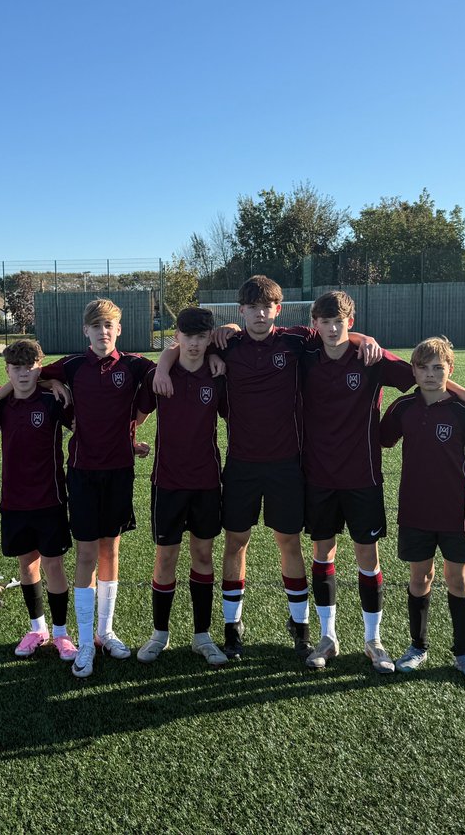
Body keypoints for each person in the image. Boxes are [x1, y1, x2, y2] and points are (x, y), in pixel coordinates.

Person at [154, 275, 378, 663]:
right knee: (235, 543)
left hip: (287, 466)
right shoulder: (227, 344)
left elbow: (336, 335)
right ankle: (232, 628)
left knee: (289, 542)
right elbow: (183, 347)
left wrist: (364, 340)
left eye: (267, 307)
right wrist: (164, 361)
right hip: (241, 465)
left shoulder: (296, 342)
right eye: (252, 307)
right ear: (239, 312)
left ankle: (301, 629)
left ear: (279, 308)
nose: (260, 314)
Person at [299, 292, 465, 674]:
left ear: (351, 321)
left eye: (340, 320)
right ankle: (328, 636)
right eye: (326, 321)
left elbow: (426, 376)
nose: (333, 327)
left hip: (363, 477)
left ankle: (373, 641)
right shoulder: (305, 354)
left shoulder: (371, 358)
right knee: (323, 554)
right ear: (315, 324)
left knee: (367, 558)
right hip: (319, 475)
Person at [0, 298, 153, 678]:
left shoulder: (133, 364)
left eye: (109, 325)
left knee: (112, 550)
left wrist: (132, 436)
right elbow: (29, 376)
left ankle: (104, 632)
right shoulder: (73, 366)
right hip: (81, 473)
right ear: (86, 332)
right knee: (86, 555)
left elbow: (162, 376)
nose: (103, 332)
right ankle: (78, 641)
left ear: (119, 329)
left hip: (121, 471)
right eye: (96, 326)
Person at [379, 336, 465, 685]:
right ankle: (418, 646)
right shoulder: (403, 409)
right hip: (415, 511)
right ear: (413, 370)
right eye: (423, 368)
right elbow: (378, 437)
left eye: (438, 368)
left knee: (457, 580)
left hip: (458, 513)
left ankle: (463, 653)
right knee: (420, 578)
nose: (430, 374)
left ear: (450, 370)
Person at [134, 307, 229, 667]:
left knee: (203, 556)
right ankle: (159, 633)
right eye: (187, 337)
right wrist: (132, 440)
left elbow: (237, 416)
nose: (194, 344)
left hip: (206, 481)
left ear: (209, 337)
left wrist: (219, 352)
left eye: (201, 337)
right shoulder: (161, 373)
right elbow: (137, 417)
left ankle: (202, 636)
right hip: (168, 482)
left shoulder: (218, 373)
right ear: (177, 336)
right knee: (166, 558)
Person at [0, 339, 79, 661]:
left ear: (39, 367)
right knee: (27, 565)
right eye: (17, 368)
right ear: (7, 370)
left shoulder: (52, 400)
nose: (24, 374)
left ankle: (62, 634)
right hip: (14, 501)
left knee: (53, 564)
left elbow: (84, 426)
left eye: (30, 367)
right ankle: (37, 629)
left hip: (49, 498)